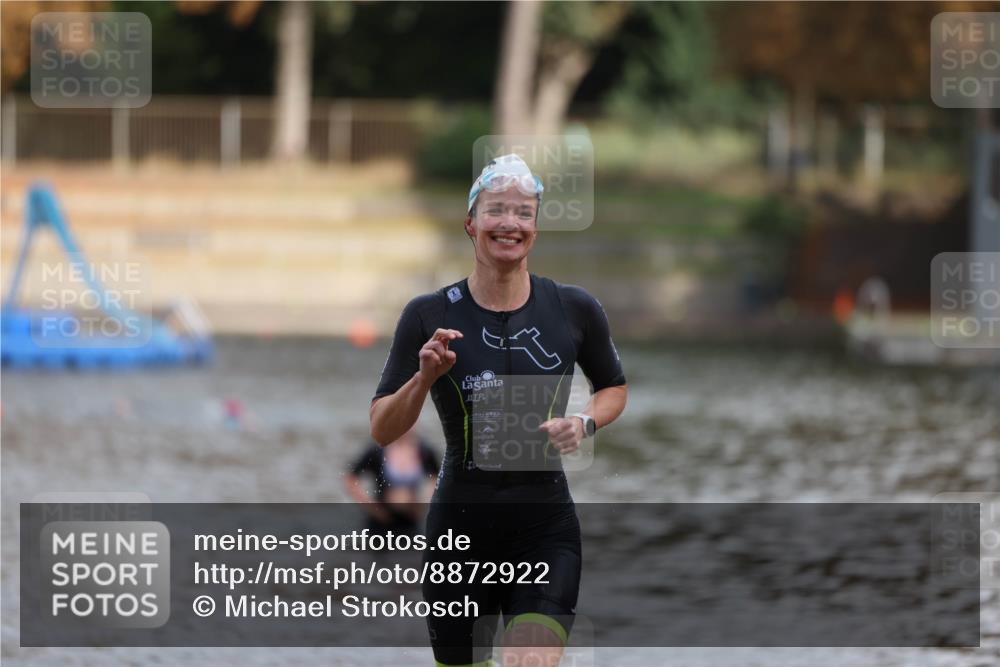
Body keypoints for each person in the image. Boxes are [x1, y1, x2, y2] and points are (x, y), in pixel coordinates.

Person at [369, 153, 628, 667]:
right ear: (471, 222)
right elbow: (382, 428)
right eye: (496, 210)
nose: (510, 223)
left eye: (524, 212)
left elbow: (614, 388)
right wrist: (424, 378)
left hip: (545, 528)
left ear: (535, 227)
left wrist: (584, 421)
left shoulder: (573, 309)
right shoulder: (429, 314)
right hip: (458, 531)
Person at [344, 426, 440, 534]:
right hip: (381, 519)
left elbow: (438, 477)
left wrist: (424, 502)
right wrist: (372, 507)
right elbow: (351, 478)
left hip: (411, 519)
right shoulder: (377, 449)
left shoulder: (424, 450)